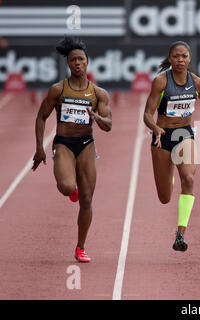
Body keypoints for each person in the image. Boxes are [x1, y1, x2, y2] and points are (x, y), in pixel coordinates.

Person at [143, 41, 200, 252]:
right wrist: (154, 127)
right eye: (176, 56)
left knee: (189, 178)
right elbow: (147, 114)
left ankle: (180, 234)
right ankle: (169, 172)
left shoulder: (197, 83)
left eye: (184, 56)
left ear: (189, 59)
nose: (180, 60)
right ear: (170, 59)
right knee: (164, 198)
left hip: (184, 134)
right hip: (162, 137)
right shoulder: (161, 82)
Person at [32, 36, 112, 263]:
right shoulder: (58, 90)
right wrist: (40, 148)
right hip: (64, 143)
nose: (77, 63)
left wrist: (96, 117)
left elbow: (108, 125)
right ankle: (72, 190)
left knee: (87, 200)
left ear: (87, 63)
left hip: (86, 144)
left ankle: (80, 247)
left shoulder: (99, 94)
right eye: (73, 60)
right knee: (67, 187)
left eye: (81, 59)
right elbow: (41, 117)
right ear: (68, 63)